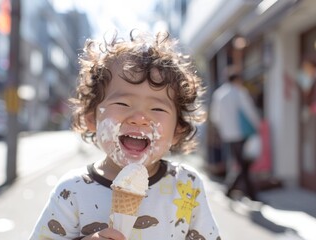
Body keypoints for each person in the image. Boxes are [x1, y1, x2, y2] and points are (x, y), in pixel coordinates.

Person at [29, 30, 221, 240]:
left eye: (157, 109)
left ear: (178, 130)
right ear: (92, 118)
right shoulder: (72, 191)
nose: (139, 118)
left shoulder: (187, 185)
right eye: (122, 103)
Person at [210, 71, 260, 201]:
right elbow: (249, 111)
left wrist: (222, 129)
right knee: (244, 163)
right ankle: (248, 194)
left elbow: (215, 117)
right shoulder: (239, 92)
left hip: (227, 134)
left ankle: (233, 190)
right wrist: (257, 125)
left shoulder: (219, 94)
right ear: (237, 79)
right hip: (242, 133)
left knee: (240, 163)